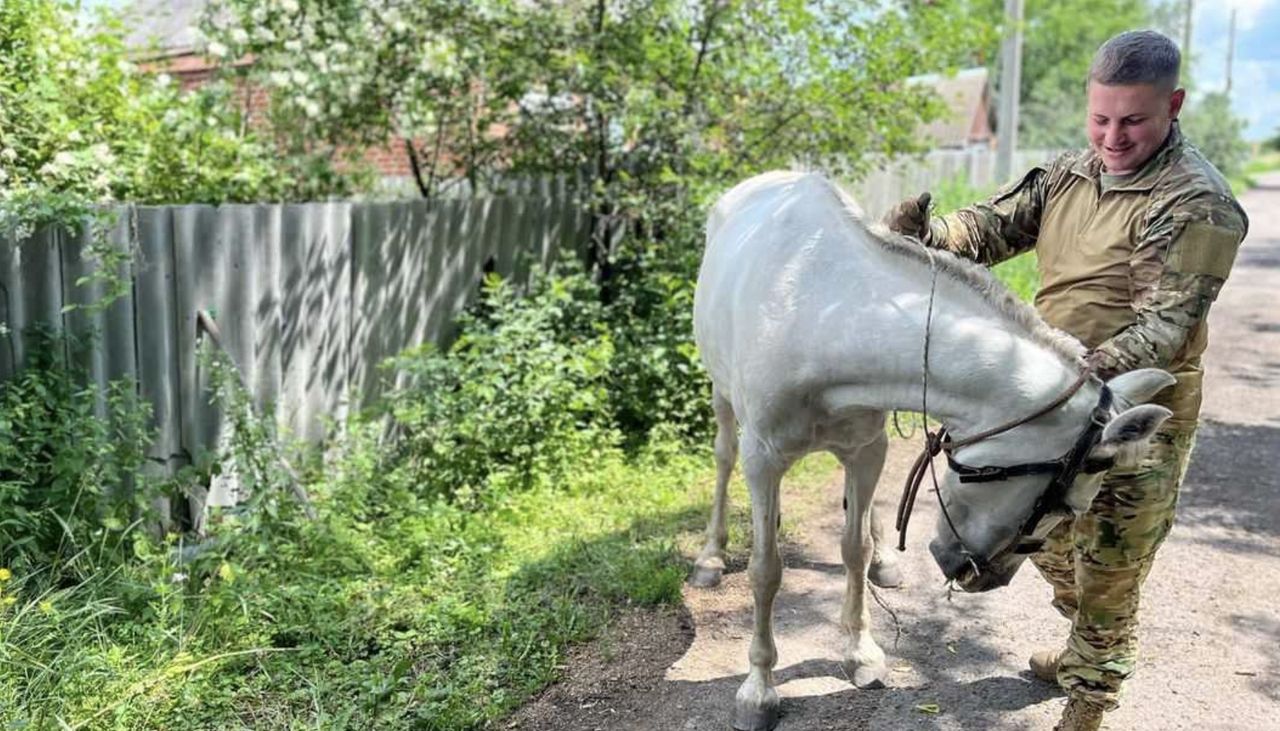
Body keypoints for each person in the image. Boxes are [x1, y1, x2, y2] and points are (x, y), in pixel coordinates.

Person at [882, 29, 1248, 731]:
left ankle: (1090, 698)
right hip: (1050, 401)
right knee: (1048, 538)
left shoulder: (1199, 203)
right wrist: (932, 238)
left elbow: (1162, 331)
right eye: (1101, 119)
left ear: (1173, 105)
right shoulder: (1068, 176)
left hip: (1131, 413)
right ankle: (1088, 646)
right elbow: (992, 226)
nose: (1113, 136)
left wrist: (1062, 372)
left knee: (1110, 556)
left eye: (1133, 120)